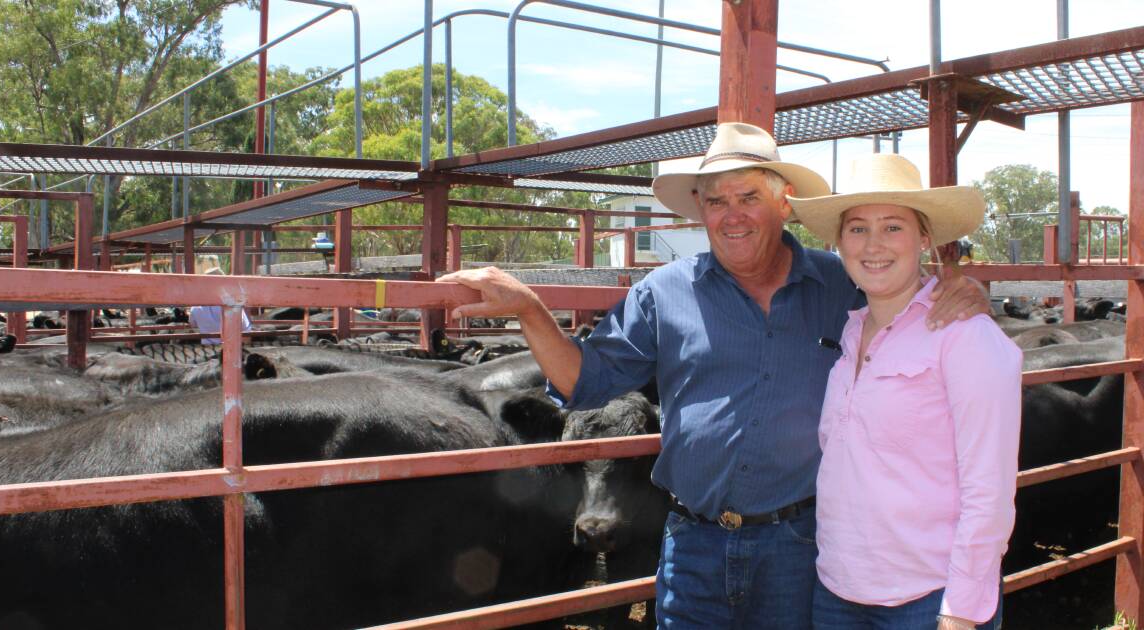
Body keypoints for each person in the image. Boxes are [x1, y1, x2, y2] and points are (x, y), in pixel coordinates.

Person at [437, 123, 989, 629]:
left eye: (749, 197)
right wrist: (530, 308)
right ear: (700, 210)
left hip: (799, 541)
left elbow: (901, 280)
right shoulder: (664, 291)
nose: (732, 214)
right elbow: (585, 383)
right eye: (717, 200)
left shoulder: (840, 283)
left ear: (784, 204)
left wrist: (959, 286)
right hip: (691, 539)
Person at [788, 154, 1021, 630]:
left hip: (928, 596)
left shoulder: (965, 336)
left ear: (924, 238)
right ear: (838, 242)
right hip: (837, 589)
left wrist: (962, 609)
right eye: (857, 229)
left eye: (893, 227)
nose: (873, 245)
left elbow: (989, 489)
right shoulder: (849, 331)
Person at [188, 267, 252, 345]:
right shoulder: (232, 305)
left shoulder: (195, 308)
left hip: (206, 350)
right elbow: (246, 331)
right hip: (229, 351)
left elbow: (192, 324)